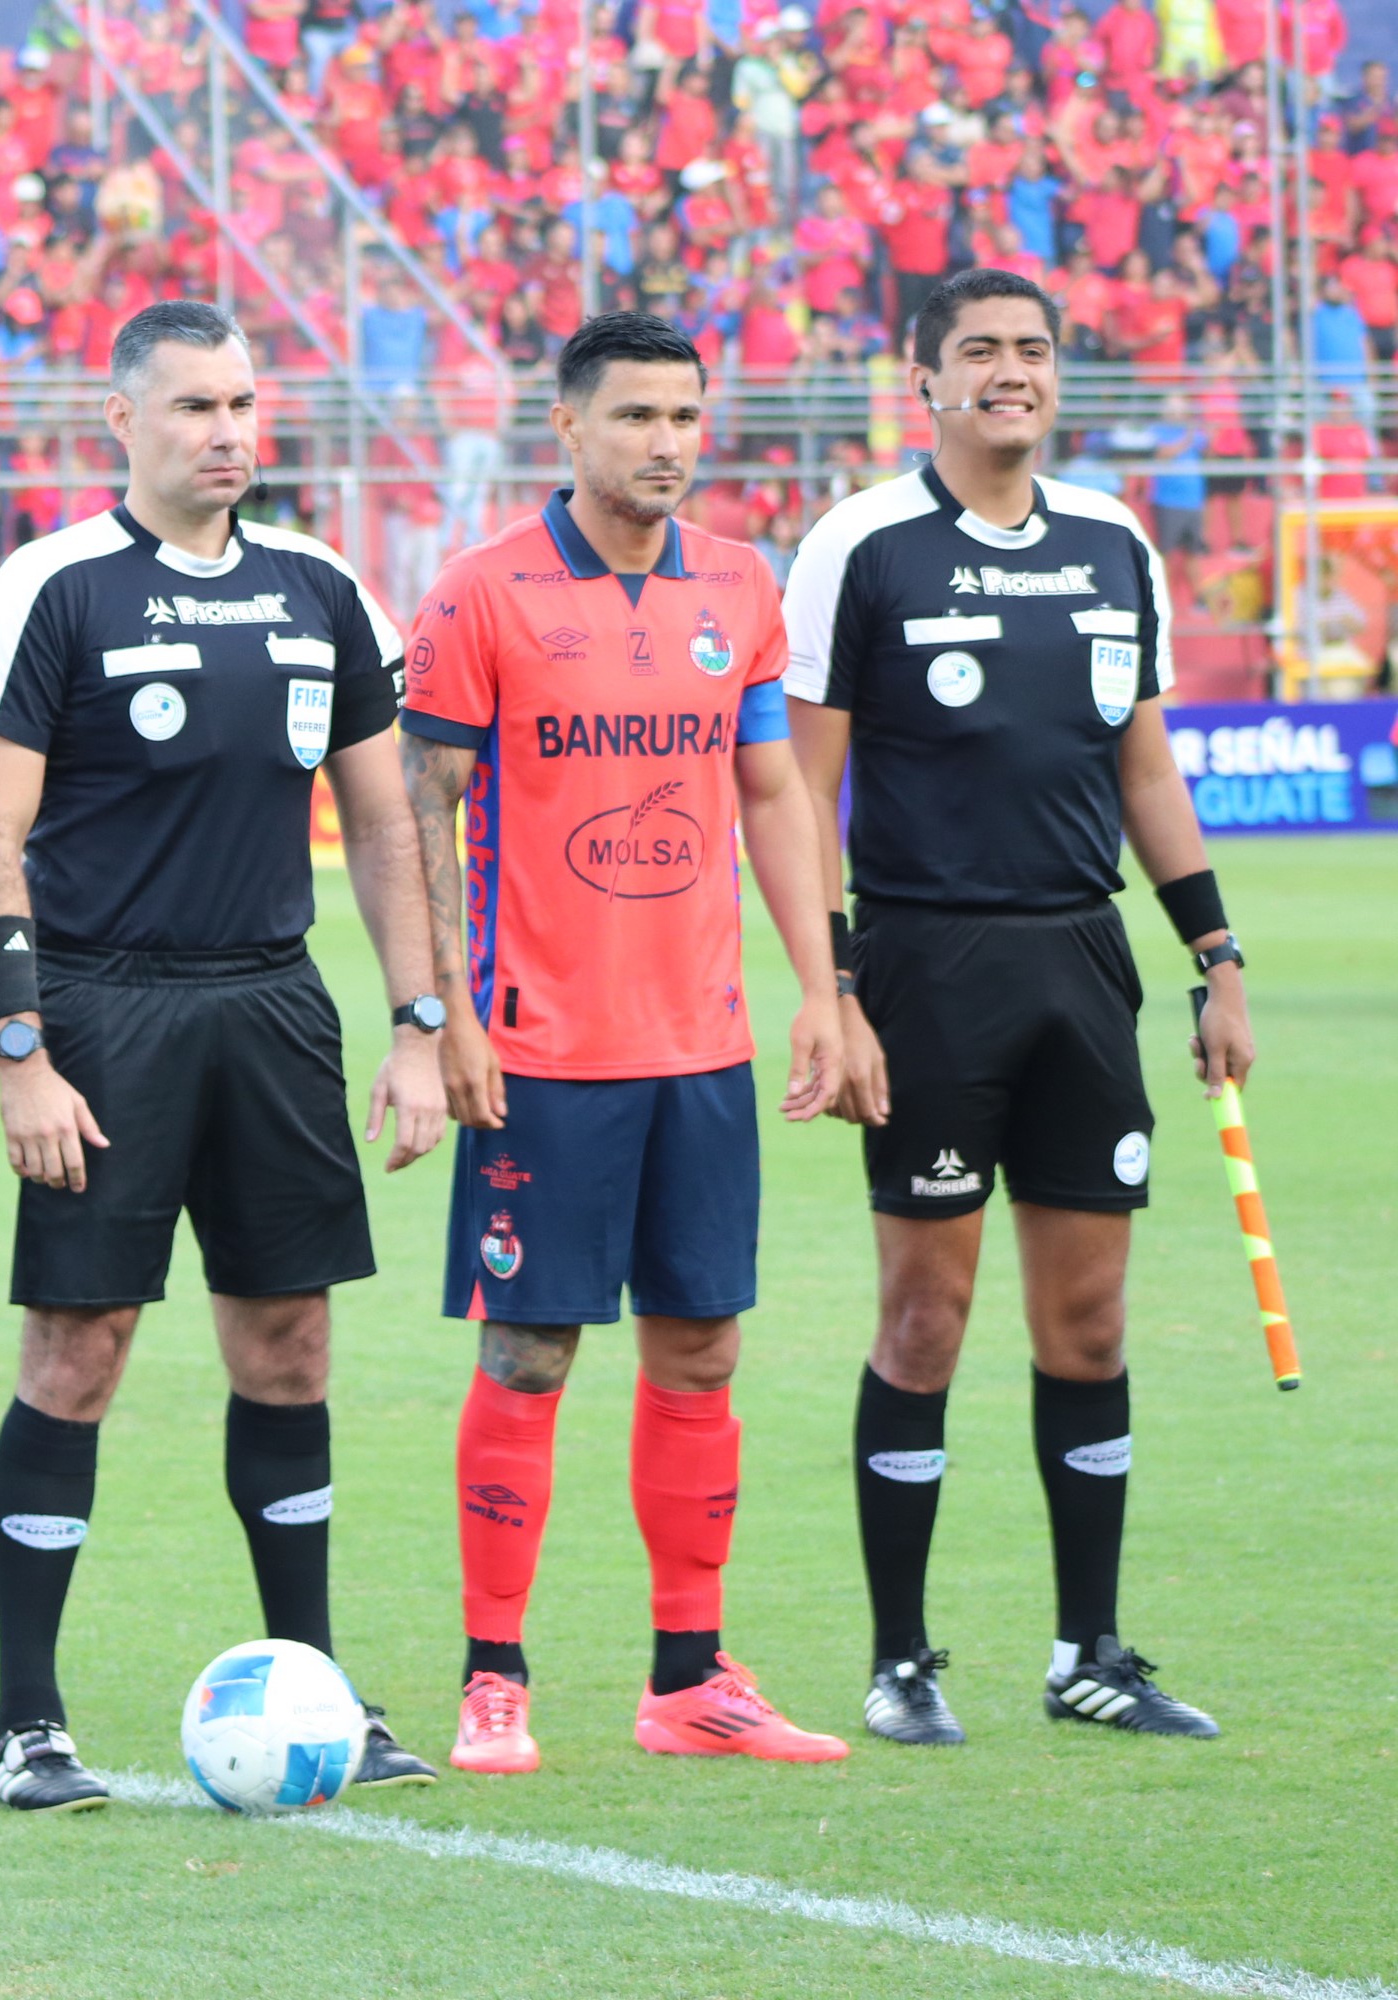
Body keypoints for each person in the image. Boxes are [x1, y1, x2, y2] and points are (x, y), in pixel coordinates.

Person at [0, 301, 450, 1812]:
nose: (227, 433)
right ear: (123, 418)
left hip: (273, 1005)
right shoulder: (52, 588)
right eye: (193, 407)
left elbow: (385, 825)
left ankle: (321, 1684)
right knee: (79, 1348)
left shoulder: (322, 589)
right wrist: (21, 1053)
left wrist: (418, 1026)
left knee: (290, 1346)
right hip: (103, 1009)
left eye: (242, 405)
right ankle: (26, 1721)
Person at [784, 267, 1253, 1745]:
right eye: (979, 350)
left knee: (1091, 1323)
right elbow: (797, 793)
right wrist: (833, 989)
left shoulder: (1114, 541)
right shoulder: (861, 543)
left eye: (1033, 350)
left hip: (1082, 963)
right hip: (925, 968)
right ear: (923, 379)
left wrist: (1216, 955)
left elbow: (1145, 769)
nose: (1010, 371)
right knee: (925, 1319)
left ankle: (1089, 1653)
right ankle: (901, 1661)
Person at [398, 312, 850, 1779]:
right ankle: (494, 1679)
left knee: (703, 1347)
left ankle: (689, 1679)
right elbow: (419, 809)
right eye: (637, 417)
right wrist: (447, 1015)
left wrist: (822, 989)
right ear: (570, 428)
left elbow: (773, 793)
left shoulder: (739, 584)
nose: (667, 443)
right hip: (539, 1046)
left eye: (684, 417)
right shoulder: (482, 593)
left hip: (700, 1045)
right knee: (530, 1353)